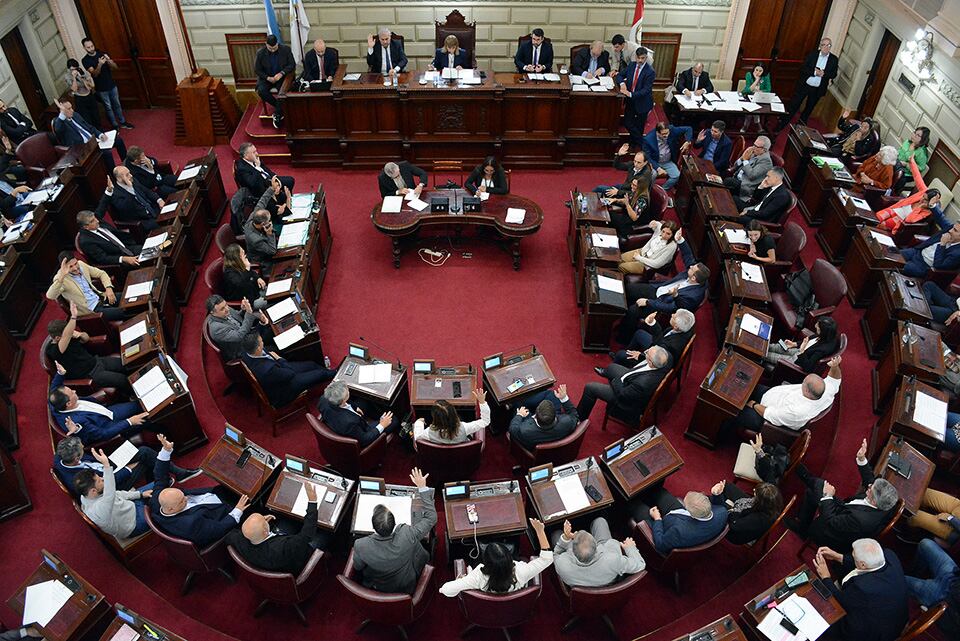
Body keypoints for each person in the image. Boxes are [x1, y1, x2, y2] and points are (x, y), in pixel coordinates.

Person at [789, 439, 900, 552]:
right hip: (845, 511)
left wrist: (828, 496)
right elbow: (870, 481)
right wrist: (861, 459)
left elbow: (830, 521)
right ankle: (798, 470)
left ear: (874, 502)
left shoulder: (859, 521)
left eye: (871, 488)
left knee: (817, 487)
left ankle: (794, 465)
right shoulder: (886, 501)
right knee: (813, 491)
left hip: (830, 534)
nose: (869, 485)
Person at [151, 434, 250, 547]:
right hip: (228, 509)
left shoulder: (157, 500)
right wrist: (237, 510)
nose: (186, 498)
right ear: (171, 509)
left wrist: (166, 450)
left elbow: (160, 476)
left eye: (183, 495)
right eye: (182, 501)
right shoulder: (190, 524)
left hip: (216, 493)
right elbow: (218, 529)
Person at [352, 467, 436, 594]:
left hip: (378, 588)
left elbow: (358, 567)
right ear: (394, 523)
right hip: (406, 586)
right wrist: (422, 487)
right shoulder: (407, 534)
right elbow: (431, 517)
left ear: (373, 527)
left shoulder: (360, 545)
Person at [813, 539, 908, 641]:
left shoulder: (862, 588)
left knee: (824, 610)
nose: (852, 556)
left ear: (863, 565)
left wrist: (826, 577)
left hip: (873, 632)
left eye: (853, 556)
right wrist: (838, 557)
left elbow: (840, 601)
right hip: (895, 615)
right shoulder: (889, 555)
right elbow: (865, 565)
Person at [228, 481, 324, 575]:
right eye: (264, 519)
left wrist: (261, 523)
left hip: (272, 558)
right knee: (326, 533)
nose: (265, 518)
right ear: (265, 531)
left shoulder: (240, 541)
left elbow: (231, 535)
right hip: (299, 559)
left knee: (286, 520)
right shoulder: (285, 547)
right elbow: (307, 535)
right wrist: (312, 501)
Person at [55, 435, 198, 497]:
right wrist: (128, 468)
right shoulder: (78, 479)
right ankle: (171, 477)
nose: (84, 448)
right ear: (76, 458)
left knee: (143, 451)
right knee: (145, 459)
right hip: (112, 483)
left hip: (107, 464)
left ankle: (173, 474)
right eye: (82, 449)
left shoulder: (61, 455)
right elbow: (105, 486)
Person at [440, 518, 552, 596]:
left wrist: (461, 580)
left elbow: (445, 590)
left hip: (485, 610)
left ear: (486, 562)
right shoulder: (521, 571)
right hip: (514, 610)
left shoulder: (477, 576)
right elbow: (547, 559)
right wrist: (540, 531)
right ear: (510, 558)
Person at [48, 362, 150, 445]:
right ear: (69, 404)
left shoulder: (54, 399)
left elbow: (55, 386)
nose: (74, 391)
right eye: (72, 393)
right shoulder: (77, 421)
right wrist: (129, 422)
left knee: (140, 404)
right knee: (147, 421)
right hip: (109, 425)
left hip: (108, 412)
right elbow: (103, 434)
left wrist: (60, 373)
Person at [620, 234, 709, 329]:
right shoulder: (697, 276)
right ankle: (620, 312)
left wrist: (648, 302)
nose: (690, 267)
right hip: (657, 289)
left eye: (692, 268)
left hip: (660, 303)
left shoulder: (692, 297)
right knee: (628, 288)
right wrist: (680, 240)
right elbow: (688, 256)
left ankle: (623, 336)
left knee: (633, 311)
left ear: (694, 278)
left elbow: (671, 307)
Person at [735, 356, 842, 431]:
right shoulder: (826, 389)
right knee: (746, 384)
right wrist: (835, 366)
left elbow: (770, 414)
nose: (801, 383)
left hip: (764, 418)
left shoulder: (797, 412)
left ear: (807, 391)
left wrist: (753, 404)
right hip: (770, 395)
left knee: (734, 410)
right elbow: (835, 379)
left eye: (803, 383)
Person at [46, 308, 130, 393]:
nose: (70, 332)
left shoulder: (69, 336)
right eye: (68, 332)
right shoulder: (53, 350)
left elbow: (86, 338)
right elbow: (65, 339)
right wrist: (73, 317)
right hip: (90, 374)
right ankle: (132, 396)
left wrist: (80, 335)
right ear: (57, 338)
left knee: (127, 364)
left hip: (96, 361)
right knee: (122, 379)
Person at [576, 345, 672, 419]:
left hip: (624, 400)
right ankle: (606, 373)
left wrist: (615, 380)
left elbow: (622, 394)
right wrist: (642, 356)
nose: (644, 352)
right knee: (612, 368)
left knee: (590, 388)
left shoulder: (642, 383)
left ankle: (579, 418)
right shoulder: (666, 360)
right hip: (631, 378)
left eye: (647, 353)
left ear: (650, 362)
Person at [241, 334, 335, 408]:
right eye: (261, 342)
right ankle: (336, 374)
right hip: (286, 386)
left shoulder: (247, 352)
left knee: (311, 364)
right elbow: (290, 374)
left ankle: (329, 373)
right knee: (320, 374)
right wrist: (279, 358)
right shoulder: (267, 370)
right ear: (257, 348)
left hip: (280, 371)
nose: (263, 343)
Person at [76, 447, 152, 539]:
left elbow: (118, 494)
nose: (103, 479)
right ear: (93, 491)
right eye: (100, 481)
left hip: (131, 505)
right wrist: (106, 465)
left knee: (163, 482)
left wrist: (140, 494)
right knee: (165, 504)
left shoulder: (85, 495)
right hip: (134, 524)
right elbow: (110, 493)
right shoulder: (97, 509)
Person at [630, 488, 728, 554]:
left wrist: (657, 519)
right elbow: (719, 507)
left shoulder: (679, 532)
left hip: (664, 528)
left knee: (634, 504)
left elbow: (660, 544)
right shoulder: (722, 512)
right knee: (658, 490)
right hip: (678, 518)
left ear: (691, 513)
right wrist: (716, 495)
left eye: (686, 505)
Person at [553, 517, 645, 587]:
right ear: (597, 546)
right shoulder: (614, 560)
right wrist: (630, 548)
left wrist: (566, 537)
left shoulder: (563, 565)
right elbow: (640, 565)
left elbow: (557, 553)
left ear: (572, 551)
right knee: (600, 521)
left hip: (580, 589)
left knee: (556, 534)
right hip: (608, 580)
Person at [875, 156, 951, 234]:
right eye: (923, 197)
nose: (922, 199)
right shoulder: (924, 191)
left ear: (929, 202)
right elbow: (917, 176)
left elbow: (909, 220)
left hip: (901, 219)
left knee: (883, 225)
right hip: (897, 209)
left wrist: (920, 207)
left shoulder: (927, 212)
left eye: (925, 199)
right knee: (877, 217)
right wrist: (912, 162)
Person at [777, 37, 838, 129]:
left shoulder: (834, 59)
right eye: (824, 45)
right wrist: (814, 72)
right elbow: (803, 68)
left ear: (830, 47)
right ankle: (782, 123)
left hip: (818, 88)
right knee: (794, 105)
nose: (826, 47)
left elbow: (834, 74)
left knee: (809, 108)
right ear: (820, 46)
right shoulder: (812, 55)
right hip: (805, 85)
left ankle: (800, 128)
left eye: (828, 45)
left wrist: (824, 74)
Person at [316, 382, 400, 447]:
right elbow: (365, 439)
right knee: (394, 420)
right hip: (364, 430)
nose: (348, 391)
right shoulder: (350, 422)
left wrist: (355, 407)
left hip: (346, 418)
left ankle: (378, 416)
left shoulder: (324, 398)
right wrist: (382, 425)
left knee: (365, 400)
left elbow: (346, 402)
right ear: (342, 400)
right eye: (347, 392)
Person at [46, 251, 126, 320]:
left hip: (101, 298)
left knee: (128, 297)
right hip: (92, 310)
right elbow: (50, 296)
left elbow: (101, 273)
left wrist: (108, 289)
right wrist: (62, 276)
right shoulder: (60, 278)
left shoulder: (81, 264)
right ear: (64, 267)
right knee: (123, 312)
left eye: (75, 263)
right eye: (70, 266)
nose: (75, 268)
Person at [906, 538, 960, 638]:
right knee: (925, 543)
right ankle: (914, 574)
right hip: (953, 576)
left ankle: (910, 589)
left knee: (896, 579)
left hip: (944, 600)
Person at [53, 98, 125, 168]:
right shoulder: (60, 123)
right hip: (84, 149)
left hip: (95, 141)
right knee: (107, 153)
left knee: (118, 140)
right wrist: (62, 113)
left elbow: (90, 127)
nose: (72, 110)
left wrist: (100, 134)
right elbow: (58, 129)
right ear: (61, 111)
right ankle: (113, 175)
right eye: (68, 109)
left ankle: (127, 164)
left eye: (71, 107)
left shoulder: (75, 115)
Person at [82, 37, 133, 129]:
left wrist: (108, 60)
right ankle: (115, 125)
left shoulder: (102, 53)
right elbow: (95, 74)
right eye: (88, 47)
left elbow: (115, 67)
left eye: (92, 46)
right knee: (108, 107)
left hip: (111, 84)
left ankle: (123, 122)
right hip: (101, 88)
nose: (91, 48)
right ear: (84, 48)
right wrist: (100, 64)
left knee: (117, 104)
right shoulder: (85, 60)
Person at [508, 384, 579, 450]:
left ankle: (514, 402)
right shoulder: (567, 422)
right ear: (555, 414)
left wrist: (519, 415)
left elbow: (513, 428)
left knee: (518, 403)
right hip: (556, 431)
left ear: (535, 416)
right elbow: (574, 414)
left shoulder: (524, 431)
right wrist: (564, 398)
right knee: (551, 394)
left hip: (533, 434)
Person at [710, 480, 783, 545]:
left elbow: (734, 525)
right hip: (749, 510)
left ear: (760, 501)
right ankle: (716, 499)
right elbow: (749, 503)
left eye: (755, 493)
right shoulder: (773, 504)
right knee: (727, 486)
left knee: (716, 504)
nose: (753, 489)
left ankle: (712, 502)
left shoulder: (758, 519)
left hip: (736, 533)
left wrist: (722, 502)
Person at [614, 308, 695, 365]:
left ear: (677, 326)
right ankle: (628, 352)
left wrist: (641, 355)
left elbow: (658, 356)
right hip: (660, 344)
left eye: (674, 317)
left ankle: (618, 363)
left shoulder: (673, 345)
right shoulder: (685, 326)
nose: (672, 314)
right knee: (639, 333)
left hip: (656, 360)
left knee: (620, 355)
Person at [413, 389, 489, 444]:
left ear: (434, 418)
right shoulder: (465, 427)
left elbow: (417, 438)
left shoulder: (428, 432)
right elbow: (485, 421)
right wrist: (482, 402)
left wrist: (419, 422)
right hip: (461, 455)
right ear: (454, 413)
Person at [206, 295, 269, 361]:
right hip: (244, 349)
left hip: (249, 334)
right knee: (275, 346)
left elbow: (237, 316)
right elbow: (239, 336)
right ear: (212, 312)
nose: (227, 309)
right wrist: (248, 313)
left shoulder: (224, 309)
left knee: (271, 326)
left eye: (226, 305)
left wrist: (243, 310)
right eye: (222, 309)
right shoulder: (216, 329)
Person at [763, 316, 839, 372]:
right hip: (797, 351)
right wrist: (794, 344)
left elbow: (808, 367)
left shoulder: (822, 350)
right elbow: (808, 341)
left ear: (823, 332)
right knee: (771, 346)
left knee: (765, 355)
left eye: (818, 327)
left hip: (797, 360)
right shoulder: (825, 335)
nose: (815, 326)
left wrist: (802, 351)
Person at [254, 35, 295, 129]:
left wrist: (281, 73)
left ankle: (277, 113)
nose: (272, 50)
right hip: (267, 78)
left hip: (281, 77)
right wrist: (267, 78)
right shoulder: (260, 53)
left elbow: (291, 64)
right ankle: (280, 107)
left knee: (282, 91)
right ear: (266, 44)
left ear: (277, 43)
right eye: (270, 48)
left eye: (274, 48)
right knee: (261, 91)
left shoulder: (286, 50)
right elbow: (257, 70)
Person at [616, 47, 655, 146]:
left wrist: (630, 94)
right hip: (630, 101)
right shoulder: (631, 65)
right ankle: (643, 143)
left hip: (643, 102)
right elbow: (619, 75)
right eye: (638, 58)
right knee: (627, 123)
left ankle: (634, 143)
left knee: (639, 126)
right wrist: (622, 84)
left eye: (642, 58)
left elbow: (646, 90)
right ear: (635, 57)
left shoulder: (650, 71)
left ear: (646, 58)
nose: (640, 60)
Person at [76, 210, 141, 267]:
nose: (97, 221)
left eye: (95, 218)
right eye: (92, 221)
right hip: (119, 261)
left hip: (128, 247)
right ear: (86, 227)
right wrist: (124, 259)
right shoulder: (86, 241)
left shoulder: (98, 222)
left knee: (150, 250)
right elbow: (103, 258)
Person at [642, 121, 693, 192]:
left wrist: (688, 141)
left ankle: (660, 191)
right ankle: (648, 192)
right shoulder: (648, 139)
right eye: (663, 134)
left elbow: (689, 129)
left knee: (676, 176)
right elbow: (647, 157)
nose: (666, 136)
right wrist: (658, 168)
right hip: (655, 162)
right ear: (657, 133)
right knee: (653, 175)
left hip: (667, 161)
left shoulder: (671, 130)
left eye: (667, 133)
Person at [107, 166, 161, 231]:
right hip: (140, 221)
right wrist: (130, 188)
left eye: (129, 173)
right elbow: (128, 209)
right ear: (119, 179)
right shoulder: (115, 194)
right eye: (127, 175)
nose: (131, 175)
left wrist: (159, 200)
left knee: (170, 209)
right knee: (160, 224)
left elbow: (146, 191)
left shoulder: (133, 180)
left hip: (152, 210)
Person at [724, 136, 773, 208]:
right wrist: (742, 158)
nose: (753, 147)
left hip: (746, 186)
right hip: (737, 178)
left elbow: (751, 175)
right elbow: (735, 165)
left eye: (756, 146)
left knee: (728, 181)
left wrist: (745, 160)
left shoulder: (766, 162)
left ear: (764, 150)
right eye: (754, 144)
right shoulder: (754, 152)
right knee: (723, 173)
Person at [66, 58, 99, 128]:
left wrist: (82, 78)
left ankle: (100, 131)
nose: (74, 71)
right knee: (86, 118)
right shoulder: (68, 76)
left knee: (95, 115)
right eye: (72, 69)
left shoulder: (82, 72)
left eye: (75, 68)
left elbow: (91, 86)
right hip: (80, 98)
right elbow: (74, 89)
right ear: (69, 69)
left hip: (89, 95)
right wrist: (74, 78)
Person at [740, 63, 771, 133]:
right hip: (748, 97)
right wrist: (756, 80)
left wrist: (759, 91)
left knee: (754, 109)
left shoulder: (766, 76)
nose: (757, 72)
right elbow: (748, 90)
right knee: (753, 108)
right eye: (756, 70)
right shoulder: (749, 75)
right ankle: (758, 124)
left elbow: (768, 90)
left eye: (760, 71)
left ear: (763, 71)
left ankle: (746, 125)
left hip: (760, 98)